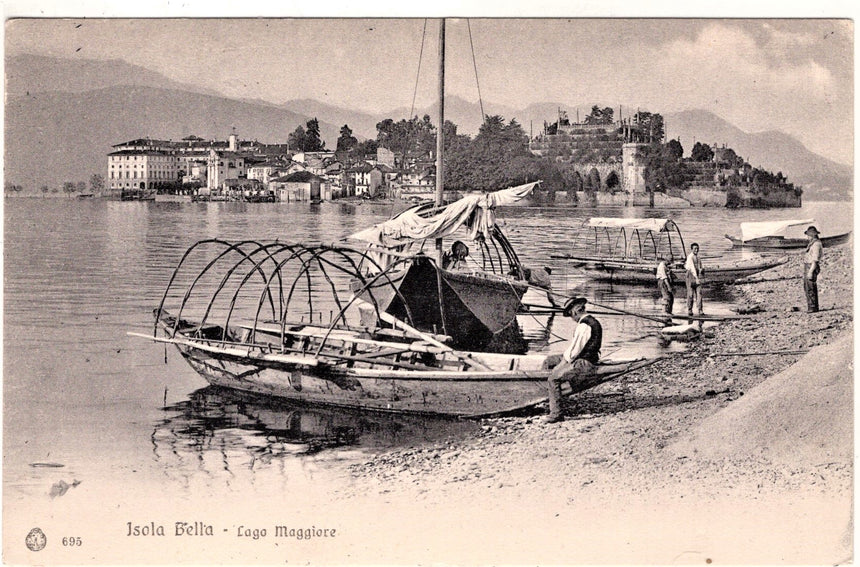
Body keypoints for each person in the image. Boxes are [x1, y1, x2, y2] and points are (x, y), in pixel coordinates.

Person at [543, 297, 602, 424]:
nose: (572, 319)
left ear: (575, 312)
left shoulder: (584, 325)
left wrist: (559, 367)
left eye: (570, 315)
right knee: (548, 361)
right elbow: (572, 351)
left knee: (553, 378)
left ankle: (556, 413)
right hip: (582, 357)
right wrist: (560, 361)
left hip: (585, 362)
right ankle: (551, 395)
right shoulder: (590, 321)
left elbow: (574, 352)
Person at [803, 225, 823, 313]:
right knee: (808, 287)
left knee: (810, 287)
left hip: (811, 266)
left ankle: (813, 307)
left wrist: (811, 271)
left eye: (808, 235)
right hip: (808, 265)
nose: (807, 237)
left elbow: (815, 259)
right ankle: (812, 306)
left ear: (811, 235)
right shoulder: (813, 243)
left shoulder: (816, 244)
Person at [684, 243, 704, 316]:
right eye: (695, 248)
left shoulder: (698, 257)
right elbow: (692, 268)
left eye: (697, 248)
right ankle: (690, 310)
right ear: (692, 249)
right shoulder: (690, 257)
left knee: (699, 293)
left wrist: (701, 269)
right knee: (690, 294)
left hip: (697, 275)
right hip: (690, 276)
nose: (696, 250)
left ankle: (700, 309)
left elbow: (700, 265)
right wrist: (696, 278)